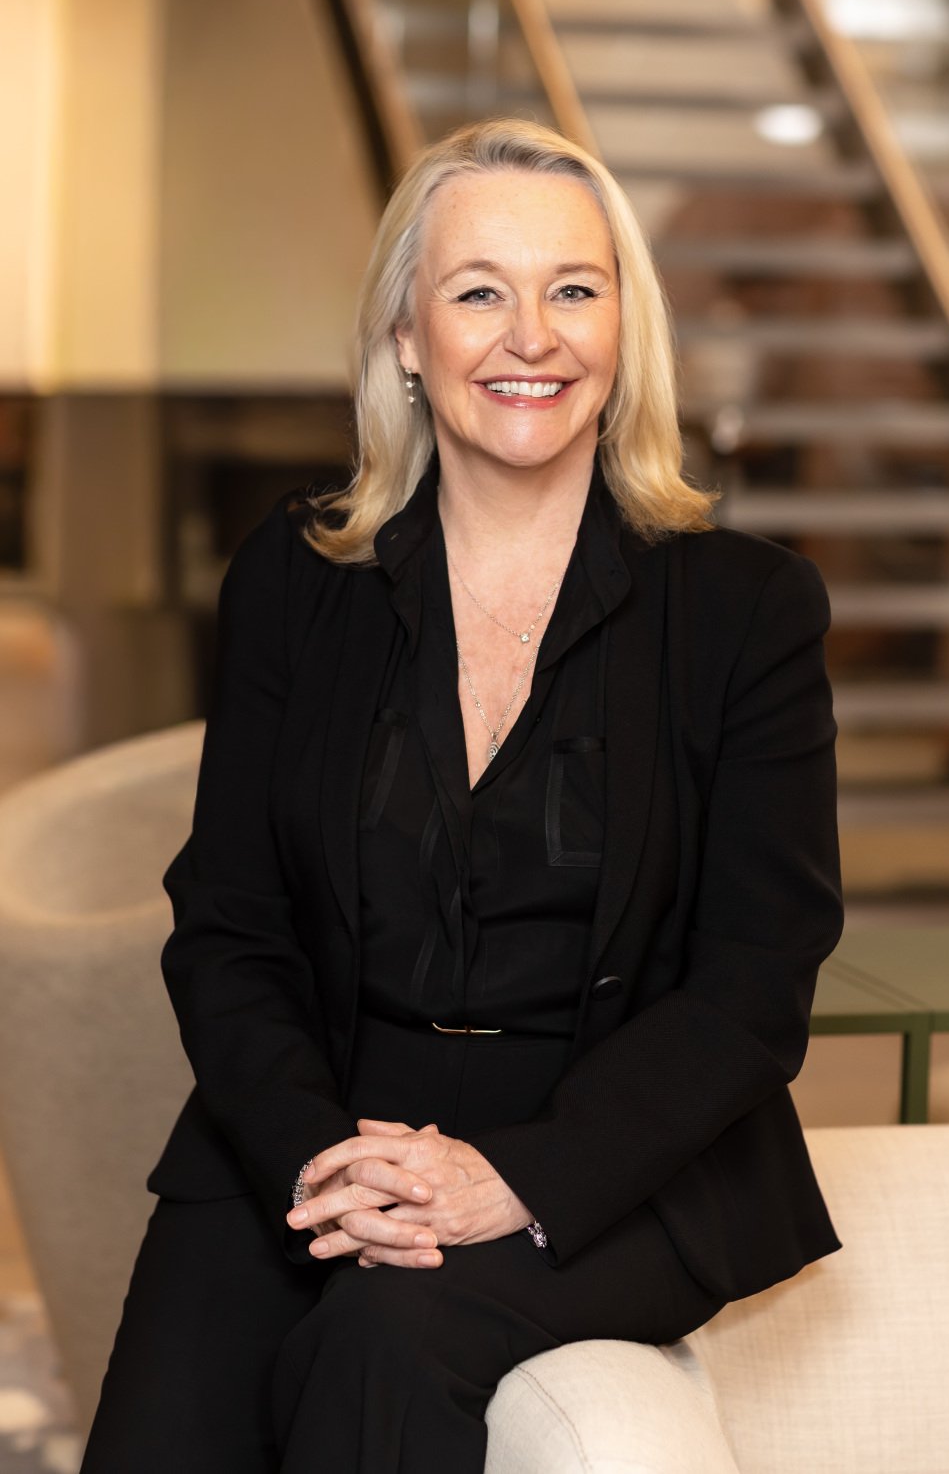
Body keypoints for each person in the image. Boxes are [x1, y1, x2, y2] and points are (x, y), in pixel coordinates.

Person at [81, 117, 843, 1473]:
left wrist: (515, 1179)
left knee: (385, 1341)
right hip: (319, 1127)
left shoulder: (745, 610)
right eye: (480, 292)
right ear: (406, 340)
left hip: (611, 1162)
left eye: (574, 289)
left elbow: (755, 980)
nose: (531, 336)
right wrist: (319, 1157)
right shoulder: (295, 578)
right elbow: (230, 921)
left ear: (625, 330)